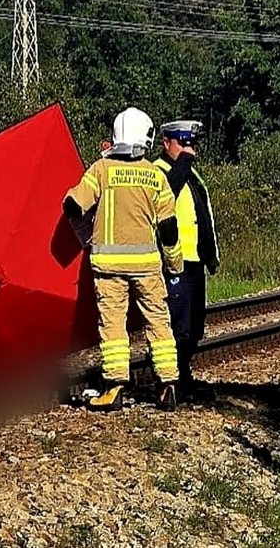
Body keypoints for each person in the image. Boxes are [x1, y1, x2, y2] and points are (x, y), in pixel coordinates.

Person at [63, 107, 184, 412]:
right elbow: (169, 229)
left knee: (113, 326)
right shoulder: (156, 176)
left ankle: (115, 388)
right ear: (147, 138)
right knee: (158, 323)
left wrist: (87, 232)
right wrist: (175, 266)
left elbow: (73, 205)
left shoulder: (101, 170)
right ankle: (167, 386)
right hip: (148, 267)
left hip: (109, 268)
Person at [153, 120, 220, 396]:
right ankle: (171, 378)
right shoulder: (158, 172)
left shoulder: (192, 174)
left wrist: (211, 255)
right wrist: (182, 165)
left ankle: (184, 373)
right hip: (174, 262)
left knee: (194, 325)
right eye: (182, 143)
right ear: (166, 142)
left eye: (192, 144)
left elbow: (203, 216)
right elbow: (166, 196)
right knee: (178, 325)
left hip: (195, 260)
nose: (188, 150)